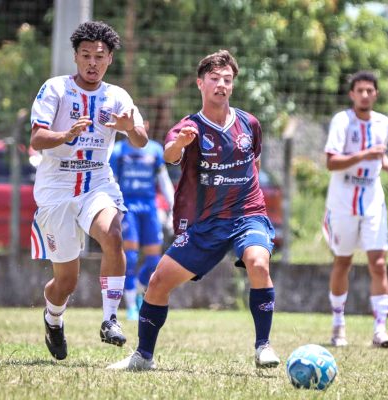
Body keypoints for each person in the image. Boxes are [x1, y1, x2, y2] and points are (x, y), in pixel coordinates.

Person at [108, 50, 280, 371]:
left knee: (258, 262)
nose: (221, 85)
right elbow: (169, 156)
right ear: (200, 83)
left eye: (227, 80)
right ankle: (143, 356)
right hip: (207, 223)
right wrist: (182, 144)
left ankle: (263, 346)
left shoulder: (249, 124)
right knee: (159, 282)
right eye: (214, 79)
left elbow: (252, 161)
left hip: (248, 214)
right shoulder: (188, 126)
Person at [29, 21, 148, 360]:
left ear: (110, 59)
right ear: (75, 57)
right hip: (56, 188)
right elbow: (37, 139)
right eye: (85, 55)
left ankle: (110, 319)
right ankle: (53, 318)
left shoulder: (117, 96)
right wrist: (65, 135)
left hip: (97, 181)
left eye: (99, 56)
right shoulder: (55, 89)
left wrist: (130, 128)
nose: (92, 63)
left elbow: (141, 140)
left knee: (113, 235)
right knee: (66, 281)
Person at [321, 70, 388, 349]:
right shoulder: (342, 121)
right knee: (342, 261)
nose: (365, 95)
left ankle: (380, 329)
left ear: (376, 94)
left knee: (378, 263)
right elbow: (331, 162)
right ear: (352, 94)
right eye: (360, 90)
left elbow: (379, 154)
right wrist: (364, 156)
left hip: (372, 199)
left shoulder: (383, 122)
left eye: (370, 90)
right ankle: (338, 324)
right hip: (342, 199)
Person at [109, 122, 175, 321]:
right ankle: (130, 306)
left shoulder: (155, 149)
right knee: (129, 257)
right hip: (128, 206)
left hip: (149, 207)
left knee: (154, 259)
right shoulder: (118, 151)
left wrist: (173, 208)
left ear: (145, 125)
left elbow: (163, 180)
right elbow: (110, 179)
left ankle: (137, 289)